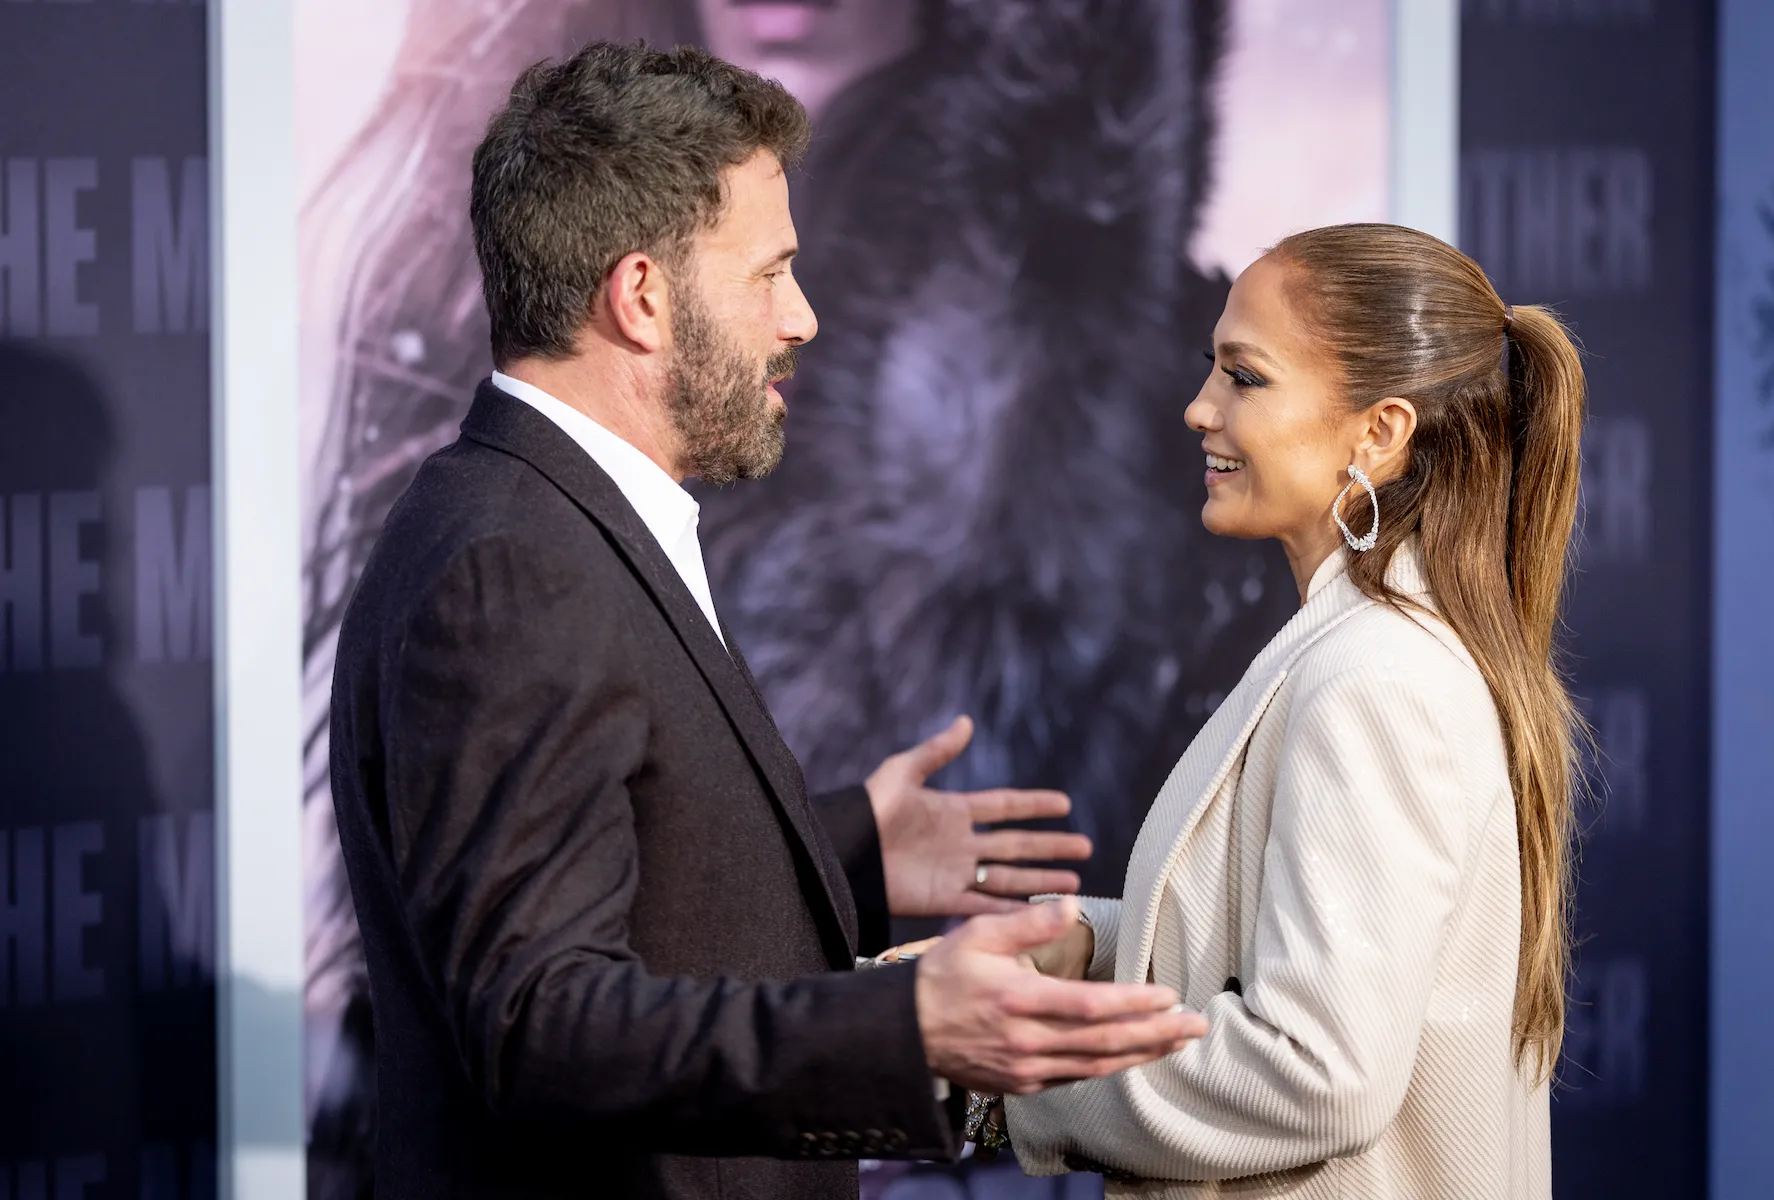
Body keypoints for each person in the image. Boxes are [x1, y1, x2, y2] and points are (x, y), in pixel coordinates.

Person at [328, 42, 1211, 1200]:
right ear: (643, 296)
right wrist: (897, 1030)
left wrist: (846, 847)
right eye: (770, 273)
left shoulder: (556, 520)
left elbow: (619, 864)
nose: (802, 316)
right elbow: (539, 1023)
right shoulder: (512, 570)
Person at [1003, 223, 1583, 1198]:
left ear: (1380, 432)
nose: (1198, 408)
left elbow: (1317, 1072)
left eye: (1245, 377)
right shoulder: (1364, 650)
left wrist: (1015, 1089)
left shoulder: (1376, 680)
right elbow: (1309, 965)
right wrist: (1098, 943)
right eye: (1210, 369)